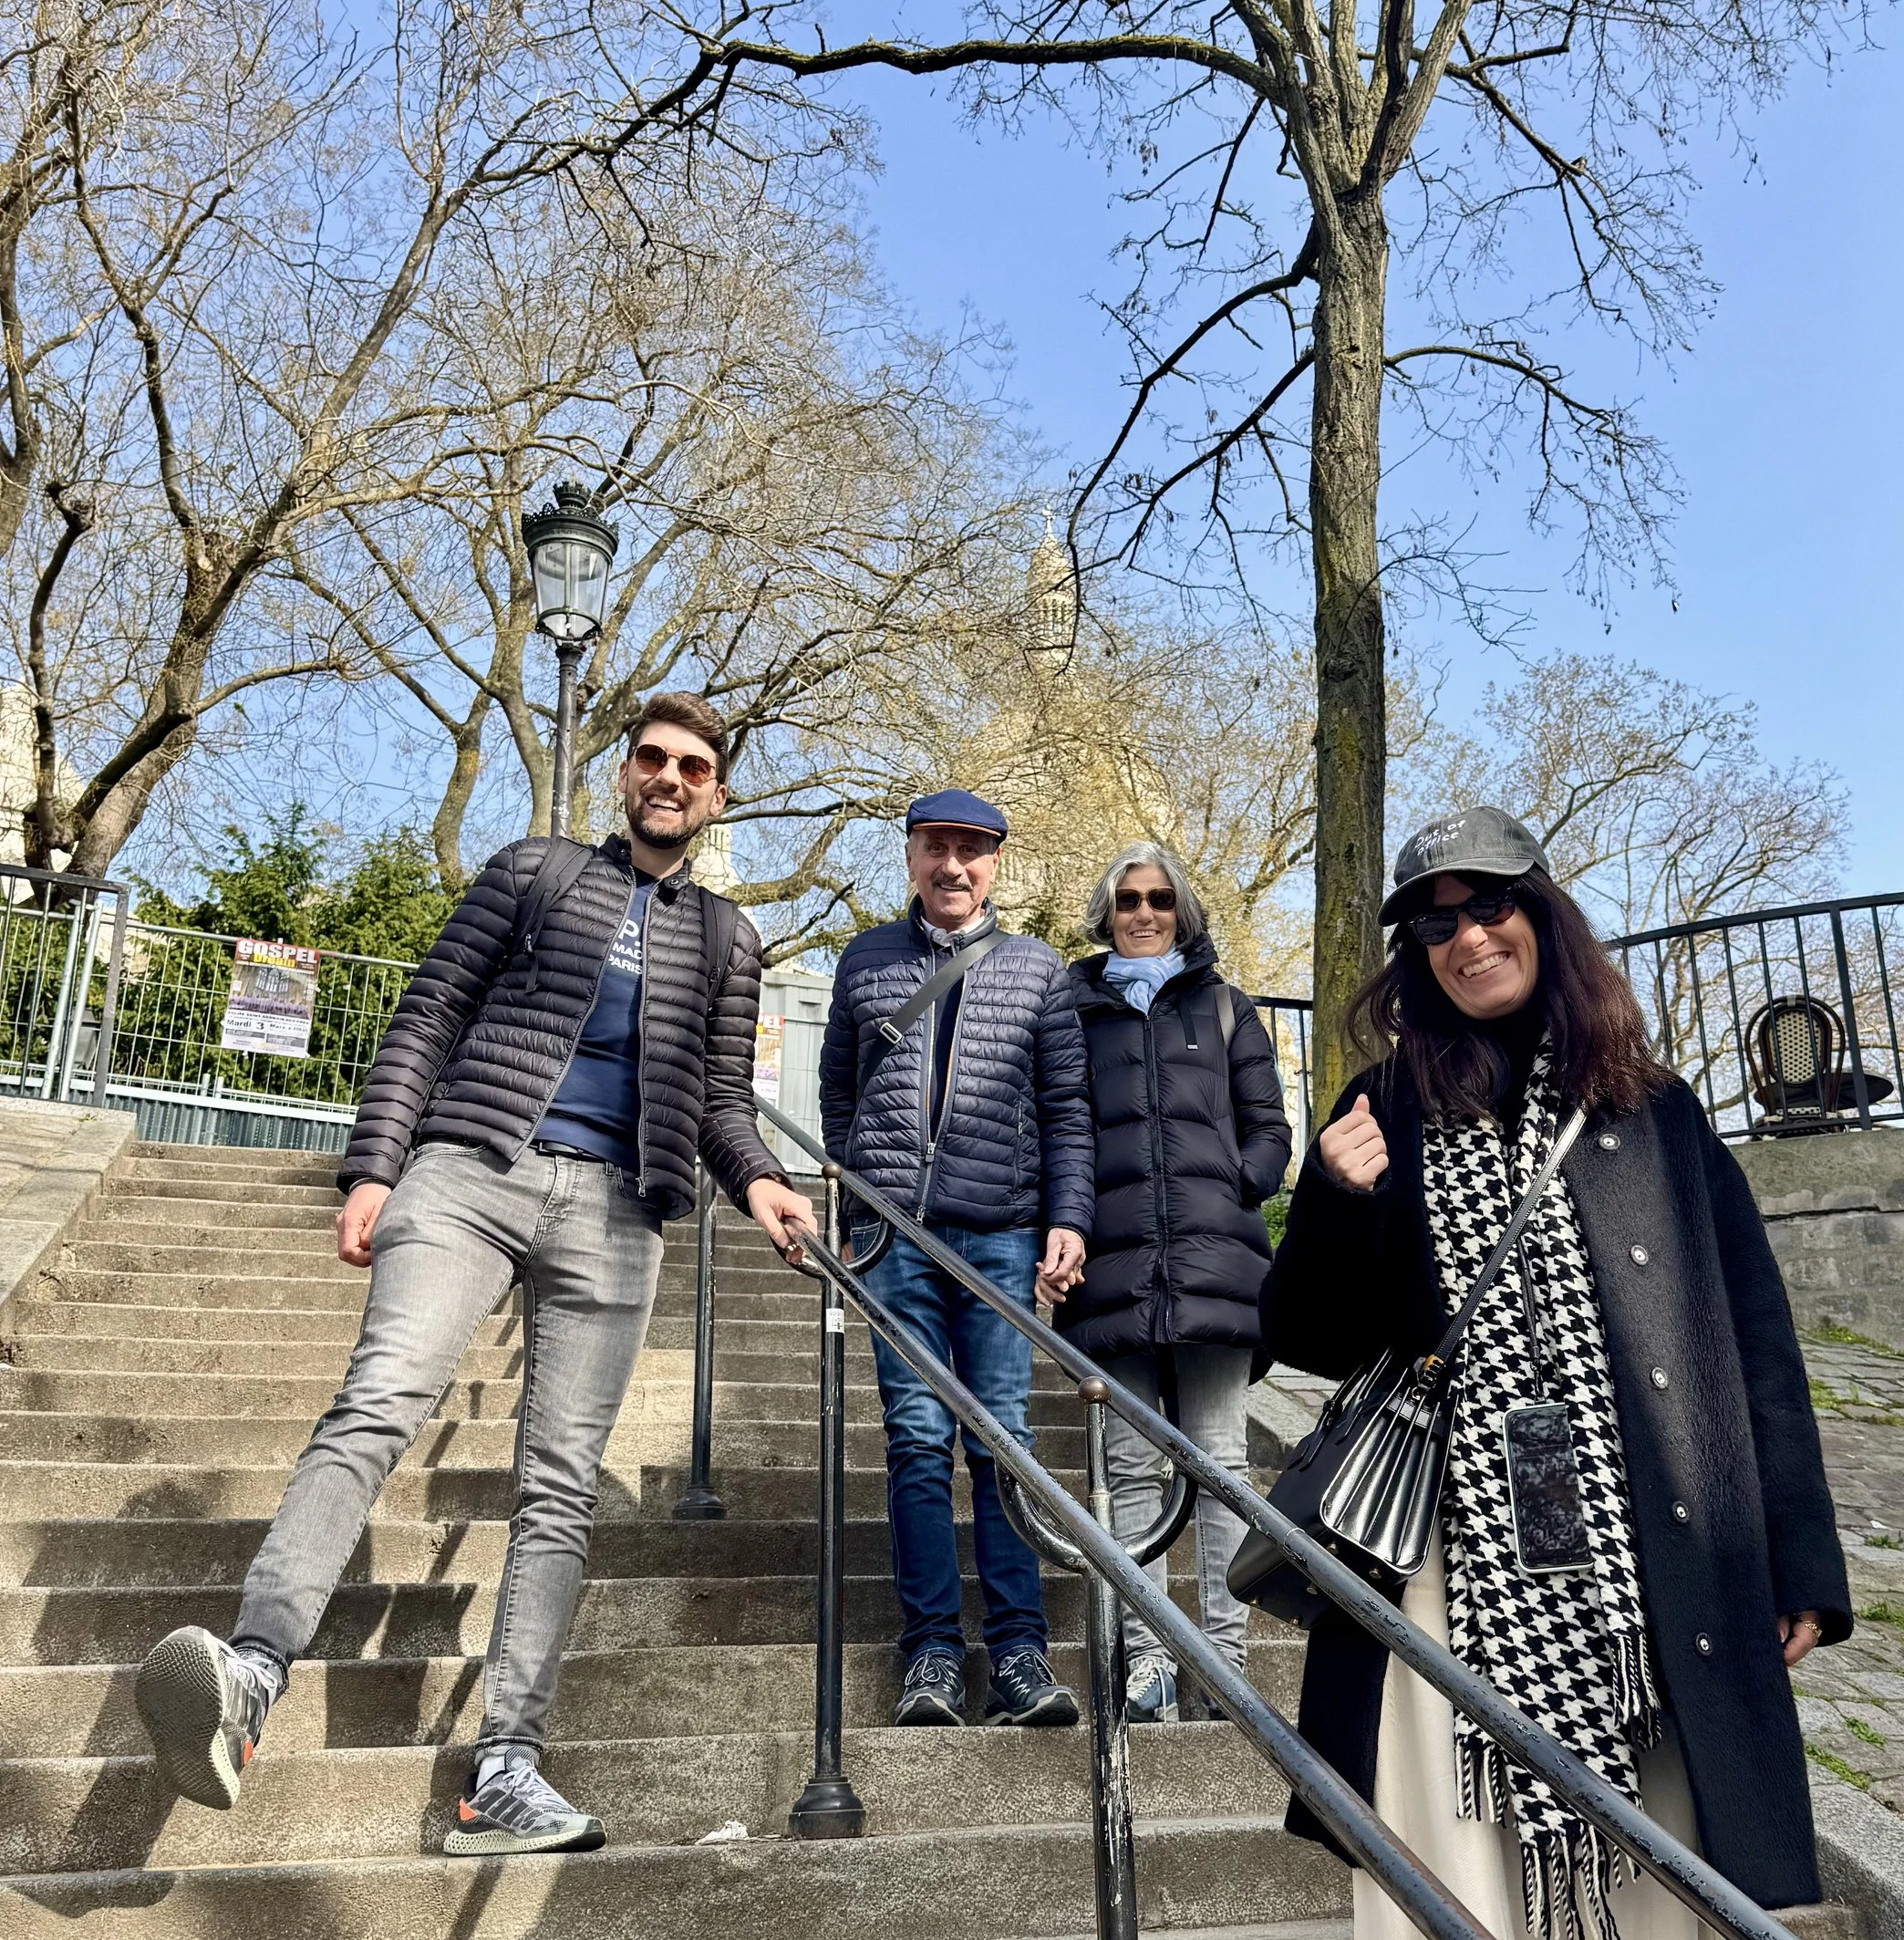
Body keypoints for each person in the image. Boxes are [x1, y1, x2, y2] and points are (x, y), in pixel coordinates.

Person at [1257, 804, 1848, 1940]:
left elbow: (1750, 1338)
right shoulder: (1384, 1113)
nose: (1463, 935)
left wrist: (1796, 1559)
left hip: (1653, 1602)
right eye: (1431, 918)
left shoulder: (1655, 1116)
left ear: (1544, 919)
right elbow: (1305, 1334)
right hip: (1449, 1600)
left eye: (1488, 905)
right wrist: (1336, 1195)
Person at [134, 695, 818, 1856]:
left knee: (560, 1488)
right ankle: (250, 1675)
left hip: (619, 1212)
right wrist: (374, 1167)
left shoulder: (727, 938)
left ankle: (507, 1769)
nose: (669, 778)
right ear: (623, 774)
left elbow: (716, 1095)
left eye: (693, 768)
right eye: (652, 758)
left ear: (716, 795)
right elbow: (430, 1012)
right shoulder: (534, 871)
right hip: (471, 1171)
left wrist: (759, 1181)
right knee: (378, 1403)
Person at [819, 789, 1093, 1728]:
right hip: (893, 1234)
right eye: (936, 847)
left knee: (1002, 1439)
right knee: (915, 1439)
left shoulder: (1035, 968)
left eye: (972, 850)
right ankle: (932, 1652)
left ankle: (1018, 1651)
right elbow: (837, 1095)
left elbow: (1066, 1107)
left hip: (1002, 1233)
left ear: (994, 863)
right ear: (910, 856)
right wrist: (855, 1203)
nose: (953, 866)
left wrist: (1068, 1217)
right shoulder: (865, 958)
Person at [1061, 842, 1290, 1719]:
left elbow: (1271, 1126)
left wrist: (1238, 1183)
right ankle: (1149, 1656)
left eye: (1160, 899)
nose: (1145, 913)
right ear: (1108, 912)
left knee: (1222, 1462)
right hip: (1113, 1266)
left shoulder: (1226, 1007)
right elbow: (1058, 1125)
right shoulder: (1074, 1010)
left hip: (1214, 1264)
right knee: (1130, 1468)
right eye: (1128, 899)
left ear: (1182, 912)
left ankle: (1223, 1657)